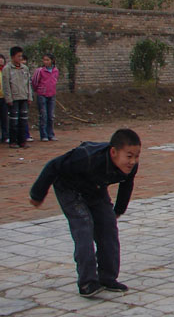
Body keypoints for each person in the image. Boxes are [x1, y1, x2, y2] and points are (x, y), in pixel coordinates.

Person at [29, 128, 141, 297]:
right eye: (129, 156)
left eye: (136, 156)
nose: (132, 161)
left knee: (108, 227)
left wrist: (118, 210)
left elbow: (127, 185)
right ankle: (87, 282)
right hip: (69, 188)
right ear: (113, 152)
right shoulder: (87, 157)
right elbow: (53, 166)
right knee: (84, 227)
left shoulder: (130, 167)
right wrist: (37, 195)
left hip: (95, 188)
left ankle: (107, 277)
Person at [2, 46, 32, 149]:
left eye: (21, 56)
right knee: (14, 121)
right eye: (18, 56)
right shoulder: (7, 69)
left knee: (23, 120)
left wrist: (29, 96)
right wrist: (8, 99)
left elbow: (28, 83)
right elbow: (6, 85)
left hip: (24, 97)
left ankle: (22, 141)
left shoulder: (25, 68)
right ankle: (13, 141)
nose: (20, 58)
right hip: (14, 98)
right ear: (12, 57)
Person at [32, 53, 59, 142]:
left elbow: (55, 81)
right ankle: (44, 135)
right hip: (42, 95)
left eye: (47, 60)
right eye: (44, 60)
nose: (45, 62)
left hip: (52, 95)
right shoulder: (40, 71)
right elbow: (34, 82)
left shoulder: (55, 70)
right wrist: (39, 90)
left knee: (51, 116)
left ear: (52, 61)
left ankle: (50, 134)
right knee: (43, 115)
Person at [0, 54, 8, 144]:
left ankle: (5, 136)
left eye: (2, 59)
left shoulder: (6, 70)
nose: (1, 61)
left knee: (4, 118)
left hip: (5, 97)